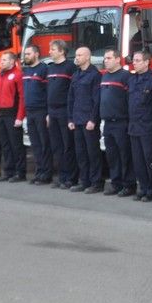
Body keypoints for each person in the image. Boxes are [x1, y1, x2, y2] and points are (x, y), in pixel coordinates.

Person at [127, 50, 152, 201]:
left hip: (148, 125)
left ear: (147, 62)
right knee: (138, 160)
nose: (134, 62)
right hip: (134, 125)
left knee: (149, 160)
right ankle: (143, 187)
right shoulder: (131, 79)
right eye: (133, 60)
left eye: (138, 60)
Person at [68, 46, 103, 193]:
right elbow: (71, 98)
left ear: (88, 57)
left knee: (92, 153)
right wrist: (70, 118)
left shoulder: (95, 75)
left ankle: (96, 183)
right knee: (81, 153)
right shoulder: (76, 74)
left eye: (80, 55)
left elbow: (97, 100)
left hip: (89, 120)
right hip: (77, 119)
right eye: (76, 55)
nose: (77, 57)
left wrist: (93, 120)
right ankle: (85, 181)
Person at [99, 48, 134, 196]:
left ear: (118, 59)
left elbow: (129, 100)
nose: (105, 61)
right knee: (112, 155)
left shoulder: (125, 76)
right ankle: (116, 183)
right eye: (105, 58)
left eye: (108, 58)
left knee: (124, 155)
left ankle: (129, 185)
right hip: (108, 123)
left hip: (121, 122)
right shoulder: (105, 77)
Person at [45, 39, 77, 189]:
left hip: (65, 110)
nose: (49, 52)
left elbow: (73, 91)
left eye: (52, 49)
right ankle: (62, 176)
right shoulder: (50, 68)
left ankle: (71, 177)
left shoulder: (70, 67)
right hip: (52, 111)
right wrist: (47, 112)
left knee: (67, 145)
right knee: (57, 146)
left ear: (62, 51)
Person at [22, 45, 53, 184]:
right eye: (25, 54)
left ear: (36, 54)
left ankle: (46, 174)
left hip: (41, 111)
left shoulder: (44, 69)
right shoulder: (27, 70)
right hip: (30, 112)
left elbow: (48, 92)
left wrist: (47, 113)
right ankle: (39, 171)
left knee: (44, 143)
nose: (25, 56)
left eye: (28, 53)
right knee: (35, 144)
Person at [0, 50, 28, 182]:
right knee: (5, 144)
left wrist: (20, 117)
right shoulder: (1, 75)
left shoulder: (17, 75)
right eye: (1, 60)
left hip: (12, 114)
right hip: (2, 114)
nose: (1, 62)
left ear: (11, 61)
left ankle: (20, 172)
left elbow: (22, 97)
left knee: (16, 145)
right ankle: (8, 171)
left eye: (4, 60)